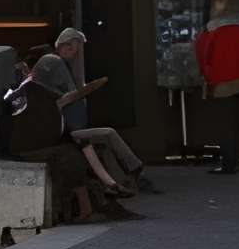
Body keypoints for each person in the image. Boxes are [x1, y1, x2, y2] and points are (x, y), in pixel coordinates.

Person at [32, 28, 155, 194]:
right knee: (108, 133)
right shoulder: (53, 62)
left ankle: (124, 181)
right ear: (62, 46)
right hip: (61, 128)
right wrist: (89, 88)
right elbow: (71, 96)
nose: (73, 55)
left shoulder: (54, 63)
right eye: (71, 50)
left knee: (104, 141)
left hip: (62, 126)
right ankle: (135, 169)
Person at [2, 69, 125, 223]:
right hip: (26, 151)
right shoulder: (25, 93)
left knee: (78, 150)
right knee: (71, 156)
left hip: (38, 146)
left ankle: (107, 189)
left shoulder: (36, 94)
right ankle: (89, 205)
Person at [196, 0, 239, 175]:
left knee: (225, 124)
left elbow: (205, 54)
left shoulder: (215, 28)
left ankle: (228, 163)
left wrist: (207, 75)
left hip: (222, 78)